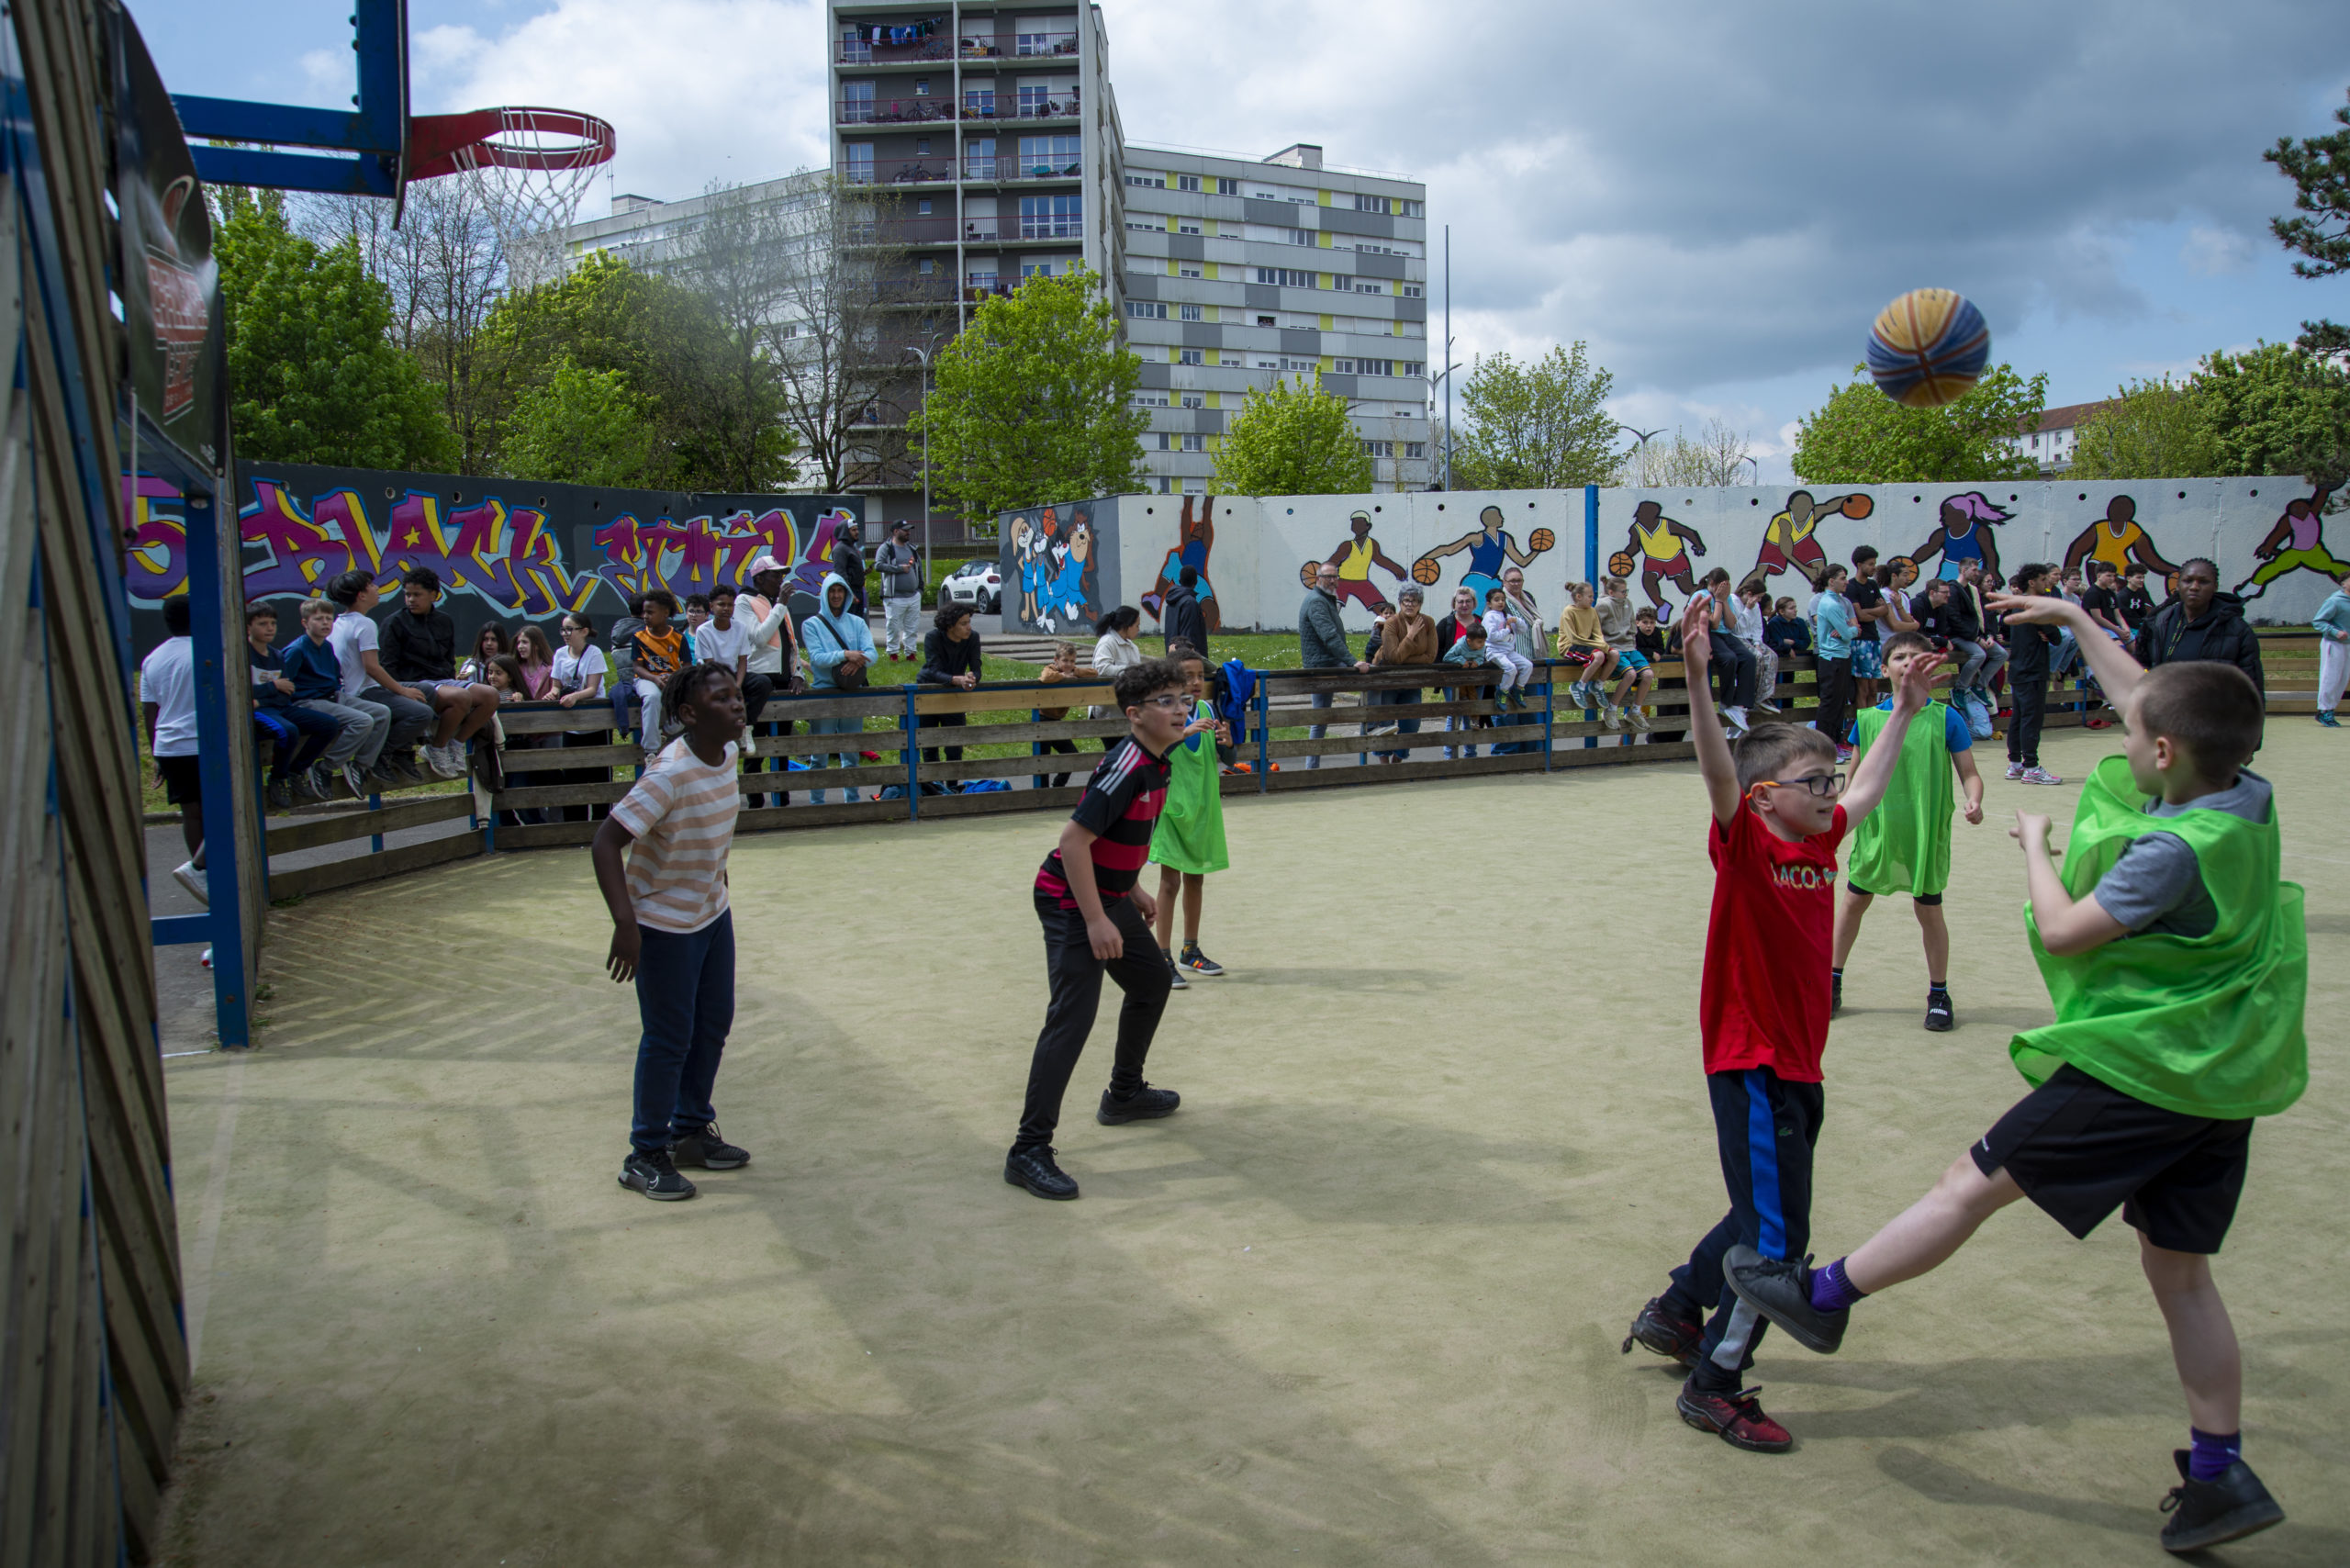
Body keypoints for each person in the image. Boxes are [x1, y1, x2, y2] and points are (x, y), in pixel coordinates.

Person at [1721, 627, 2302, 1553]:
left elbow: (2066, 930)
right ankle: (2218, 1469)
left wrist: (2036, 845)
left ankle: (1823, 1295)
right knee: (2182, 1276)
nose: (2121, 733)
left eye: (2130, 730)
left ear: (2161, 752)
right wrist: (2073, 614)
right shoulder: (2248, 800)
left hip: (2142, 1069)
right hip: (2224, 1082)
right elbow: (2167, 706)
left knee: (1970, 1183)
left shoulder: (2172, 848)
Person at [1619, 596, 1937, 1453]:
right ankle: (1715, 1382)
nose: (1832, 792)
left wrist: (1904, 712)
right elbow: (1717, 772)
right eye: (1814, 782)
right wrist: (1695, 677)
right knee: (1777, 1242)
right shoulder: (1748, 843)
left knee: (1757, 1214)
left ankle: (1678, 1310)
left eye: (1831, 779)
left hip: (1798, 1062)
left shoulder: (1819, 844)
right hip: (1753, 1061)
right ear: (1765, 799)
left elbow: (1868, 787)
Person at [1005, 657, 1191, 1202]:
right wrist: (1094, 919)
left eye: (1182, 698)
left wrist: (1130, 888)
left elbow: (1118, 838)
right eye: (1165, 701)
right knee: (1072, 1019)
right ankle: (1028, 1150)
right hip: (1070, 900)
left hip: (1108, 895)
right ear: (1135, 715)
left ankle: (1124, 1094)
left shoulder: (1159, 761)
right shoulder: (1127, 766)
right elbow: (1073, 842)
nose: (1180, 709)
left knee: (1151, 983)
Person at [592, 662, 752, 1202]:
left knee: (712, 1024)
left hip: (711, 914)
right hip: (663, 925)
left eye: (736, 695)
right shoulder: (668, 775)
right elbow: (605, 843)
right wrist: (625, 923)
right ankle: (644, 1154)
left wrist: (716, 873)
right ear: (688, 714)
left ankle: (689, 1131)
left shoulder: (727, 754)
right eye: (721, 698)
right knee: (668, 1038)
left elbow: (709, 825)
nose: (736, 704)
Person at [1829, 630, 1986, 1029]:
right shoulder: (1867, 720)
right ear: (1884, 669)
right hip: (1878, 829)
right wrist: (1836, 826)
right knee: (1853, 903)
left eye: (1917, 657)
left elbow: (1969, 772)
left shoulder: (1946, 718)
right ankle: (1831, 979)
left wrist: (1974, 799)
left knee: (1929, 910)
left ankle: (1939, 993)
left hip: (1924, 831)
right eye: (1900, 657)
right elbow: (1853, 780)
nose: (1908, 664)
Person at [1148, 642, 1230, 987]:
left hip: (1202, 810)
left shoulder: (1208, 708)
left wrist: (1227, 742)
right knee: (1170, 883)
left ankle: (1190, 950)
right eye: (1188, 676)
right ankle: (1162, 957)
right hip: (1173, 809)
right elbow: (1153, 750)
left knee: (1196, 879)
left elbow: (1227, 758)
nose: (1196, 682)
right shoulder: (1164, 711)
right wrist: (1183, 734)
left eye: (1200, 675)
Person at [382, 567, 500, 780]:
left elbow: (448, 659)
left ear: (433, 595)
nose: (411, 599)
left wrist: (453, 679)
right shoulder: (394, 622)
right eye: (407, 594)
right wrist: (401, 692)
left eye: (417, 594)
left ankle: (457, 743)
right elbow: (387, 666)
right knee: (460, 697)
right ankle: (436, 747)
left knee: (491, 695)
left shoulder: (444, 621)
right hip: (415, 684)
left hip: (443, 681)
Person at [324, 569, 434, 786]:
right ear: (361, 595)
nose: (376, 588)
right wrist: (401, 691)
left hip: (359, 688)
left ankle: (403, 750)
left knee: (426, 690)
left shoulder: (339, 622)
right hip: (363, 692)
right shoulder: (364, 624)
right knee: (422, 713)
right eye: (371, 585)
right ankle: (382, 753)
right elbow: (372, 668)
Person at [141, 595, 207, 904]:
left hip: (169, 745)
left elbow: (150, 711)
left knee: (191, 814)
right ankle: (199, 867)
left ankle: (203, 875)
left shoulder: (153, 658)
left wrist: (157, 753)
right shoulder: (205, 652)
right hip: (203, 742)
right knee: (224, 810)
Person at [244, 603, 339, 809]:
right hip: (259, 713)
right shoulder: (242, 656)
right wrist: (273, 687)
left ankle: (297, 771)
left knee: (329, 724)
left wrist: (263, 695)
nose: (270, 628)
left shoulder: (276, 655)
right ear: (248, 627)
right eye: (263, 624)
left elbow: (286, 691)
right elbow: (241, 694)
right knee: (288, 731)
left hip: (277, 706)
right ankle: (278, 778)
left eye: (273, 623)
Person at [284, 595, 376, 800]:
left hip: (332, 696)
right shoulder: (297, 650)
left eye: (328, 618)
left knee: (381, 713)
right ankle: (325, 767)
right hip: (307, 701)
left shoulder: (326, 646)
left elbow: (335, 676)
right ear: (305, 623)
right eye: (319, 619)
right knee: (363, 721)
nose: (325, 623)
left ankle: (361, 766)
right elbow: (284, 682)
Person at [801, 572, 877, 803]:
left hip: (852, 693)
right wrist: (846, 655)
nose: (836, 595)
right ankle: (817, 803)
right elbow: (817, 658)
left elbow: (872, 654)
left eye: (840, 591)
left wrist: (856, 661)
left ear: (846, 594)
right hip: (824, 693)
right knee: (819, 755)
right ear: (825, 594)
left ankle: (852, 801)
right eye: (831, 591)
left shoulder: (857, 623)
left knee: (851, 753)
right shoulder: (811, 624)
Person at [2136, 558, 2264, 695]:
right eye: (2188, 580)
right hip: (2165, 706)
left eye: (2203, 582)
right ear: (2178, 585)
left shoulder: (2238, 631)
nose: (2194, 587)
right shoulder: (2158, 623)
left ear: (2215, 587)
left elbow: (2252, 689)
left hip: (2214, 708)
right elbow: (2141, 666)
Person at [740, 554, 803, 806]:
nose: (780, 580)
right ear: (759, 579)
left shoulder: (779, 604)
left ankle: (782, 801)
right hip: (759, 682)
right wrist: (781, 605)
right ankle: (756, 802)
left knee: (782, 747)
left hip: (783, 681)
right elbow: (759, 638)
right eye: (775, 575)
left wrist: (797, 673)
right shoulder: (744, 601)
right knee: (756, 748)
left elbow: (791, 642)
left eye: (782, 575)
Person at [2000, 563, 2064, 785]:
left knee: (2019, 717)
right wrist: (2047, 631)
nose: (2048, 583)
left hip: (2019, 669)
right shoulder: (2036, 607)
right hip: (2033, 670)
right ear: (2031, 582)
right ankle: (2031, 767)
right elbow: (2056, 637)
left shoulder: (2019, 605)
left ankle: (2016, 764)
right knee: (2031, 719)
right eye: (2043, 579)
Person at [1360, 585, 1436, 762]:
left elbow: (1430, 657)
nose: (1410, 604)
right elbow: (1393, 657)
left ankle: (1397, 762)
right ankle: (1385, 766)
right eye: (1406, 600)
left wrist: (1405, 657)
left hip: (1413, 683)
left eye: (1414, 601)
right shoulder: (1391, 623)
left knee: (1411, 725)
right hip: (1388, 682)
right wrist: (1410, 636)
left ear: (1420, 604)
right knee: (1385, 724)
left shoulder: (1428, 622)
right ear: (1400, 603)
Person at [551, 610, 613, 823]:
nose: (565, 634)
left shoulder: (594, 653)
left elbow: (592, 689)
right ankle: (575, 825)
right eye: (563, 630)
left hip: (596, 724)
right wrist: (553, 693)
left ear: (584, 631)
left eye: (570, 629)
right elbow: (556, 685)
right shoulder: (560, 654)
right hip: (571, 725)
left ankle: (600, 823)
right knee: (573, 777)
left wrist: (575, 697)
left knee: (599, 776)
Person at [917, 601, 983, 787]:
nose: (968, 627)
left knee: (955, 744)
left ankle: (952, 788)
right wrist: (956, 680)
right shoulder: (933, 637)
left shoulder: (973, 637)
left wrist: (972, 678)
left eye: (969, 622)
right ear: (950, 626)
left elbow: (977, 667)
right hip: (929, 692)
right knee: (929, 744)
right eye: (963, 623)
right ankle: (935, 787)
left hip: (955, 694)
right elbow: (933, 671)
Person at [699, 584, 770, 749]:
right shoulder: (704, 631)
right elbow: (709, 665)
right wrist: (729, 688)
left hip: (734, 675)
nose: (726, 609)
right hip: (712, 677)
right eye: (721, 604)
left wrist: (737, 686)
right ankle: (719, 736)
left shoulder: (740, 628)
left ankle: (746, 728)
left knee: (763, 683)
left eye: (730, 605)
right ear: (711, 606)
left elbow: (743, 660)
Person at [1299, 562, 1351, 768]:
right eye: (1328, 576)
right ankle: (1311, 768)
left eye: (1335, 576)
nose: (1332, 580)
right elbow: (1330, 637)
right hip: (1322, 666)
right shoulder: (1317, 602)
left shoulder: (1325, 600)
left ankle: (1311, 767)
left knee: (1320, 718)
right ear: (1318, 579)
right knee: (1319, 718)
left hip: (1328, 663)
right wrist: (1353, 661)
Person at [629, 589, 688, 761]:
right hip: (646, 679)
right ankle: (651, 751)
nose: (645, 616)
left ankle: (665, 733)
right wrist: (655, 678)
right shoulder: (639, 637)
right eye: (644, 612)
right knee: (652, 697)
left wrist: (674, 678)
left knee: (689, 698)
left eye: (650, 612)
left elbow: (687, 666)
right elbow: (637, 667)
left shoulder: (678, 637)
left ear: (665, 613)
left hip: (672, 679)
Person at [1809, 565, 1857, 763]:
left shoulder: (1840, 602)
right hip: (1831, 659)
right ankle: (1823, 748)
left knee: (1839, 703)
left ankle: (1835, 744)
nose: (1846, 582)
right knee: (1829, 704)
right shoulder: (1830, 604)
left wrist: (1851, 629)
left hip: (1842, 657)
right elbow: (1847, 633)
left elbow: (1852, 628)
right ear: (1831, 581)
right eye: (1843, 578)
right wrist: (1851, 630)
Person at [1701, 569, 1757, 736]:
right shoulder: (1702, 596)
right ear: (1712, 584)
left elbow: (1731, 624)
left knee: (1749, 658)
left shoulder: (1727, 598)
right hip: (1708, 634)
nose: (1724, 590)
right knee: (1729, 658)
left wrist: (1724, 600)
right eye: (1721, 586)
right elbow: (1714, 624)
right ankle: (1726, 703)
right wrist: (1718, 600)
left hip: (1726, 635)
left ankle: (1740, 704)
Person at [1433, 586, 1484, 759]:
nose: (1464, 605)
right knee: (1454, 715)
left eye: (1468, 601)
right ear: (1454, 604)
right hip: (1452, 679)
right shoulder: (1446, 624)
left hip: (1477, 679)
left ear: (1474, 603)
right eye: (1460, 601)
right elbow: (1437, 651)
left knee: (1473, 715)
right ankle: (1450, 756)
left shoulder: (1481, 622)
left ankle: (1471, 755)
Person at [1599, 576, 1655, 734]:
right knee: (1630, 674)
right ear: (1611, 592)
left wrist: (1631, 638)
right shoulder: (1603, 605)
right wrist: (1605, 644)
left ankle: (1635, 710)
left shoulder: (1628, 603)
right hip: (1614, 646)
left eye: (1626, 591)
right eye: (1623, 591)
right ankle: (1611, 710)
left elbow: (1631, 625)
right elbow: (1596, 626)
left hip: (1629, 646)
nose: (1626, 594)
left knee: (1648, 675)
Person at [1091, 605, 1146, 751]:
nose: (1139, 629)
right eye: (1137, 625)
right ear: (1126, 626)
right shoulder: (1107, 642)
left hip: (1126, 711)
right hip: (1107, 711)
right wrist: (1130, 671)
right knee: (1115, 752)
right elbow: (1102, 669)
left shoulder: (1133, 647)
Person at [1553, 580, 1612, 715]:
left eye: (1593, 596)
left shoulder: (1592, 611)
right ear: (1579, 597)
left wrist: (1603, 644)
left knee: (1614, 655)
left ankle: (1598, 685)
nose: (1592, 599)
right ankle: (1579, 686)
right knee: (1599, 656)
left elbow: (1598, 634)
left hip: (1586, 645)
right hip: (1570, 646)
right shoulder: (1569, 612)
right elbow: (1574, 638)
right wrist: (1599, 646)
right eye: (1590, 596)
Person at [1035, 640, 1084, 786]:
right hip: (1043, 720)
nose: (1068, 664)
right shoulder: (1050, 669)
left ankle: (1057, 786)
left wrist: (1075, 672)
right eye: (1065, 660)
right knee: (1043, 761)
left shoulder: (1072, 671)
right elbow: (1045, 677)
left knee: (1072, 755)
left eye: (1072, 661)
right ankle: (1042, 793)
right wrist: (1063, 676)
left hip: (1056, 720)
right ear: (1056, 660)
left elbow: (1094, 672)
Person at [1481, 587, 1536, 711]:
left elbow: (1522, 630)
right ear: (1489, 603)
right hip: (1494, 651)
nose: (1500, 602)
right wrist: (1507, 630)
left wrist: (1517, 621)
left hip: (1509, 651)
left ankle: (1519, 689)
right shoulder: (1489, 617)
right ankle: (1502, 693)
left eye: (1502, 600)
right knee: (1511, 669)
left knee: (1528, 665)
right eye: (1496, 600)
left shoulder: (1506, 615)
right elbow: (1492, 636)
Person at [875, 521, 923, 661]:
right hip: (894, 596)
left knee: (912, 627)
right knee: (893, 627)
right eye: (905, 530)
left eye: (909, 530)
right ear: (896, 531)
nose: (908, 533)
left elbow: (918, 568)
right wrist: (899, 569)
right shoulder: (886, 548)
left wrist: (920, 589)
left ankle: (911, 653)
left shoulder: (912, 549)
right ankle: (893, 653)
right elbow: (878, 565)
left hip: (913, 596)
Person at [1846, 546, 1886, 711]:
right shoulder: (1851, 586)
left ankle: (1873, 720)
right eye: (1870, 564)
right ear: (1859, 564)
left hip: (1874, 639)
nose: (1874, 567)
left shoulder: (1872, 584)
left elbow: (1885, 609)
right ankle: (1863, 721)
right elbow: (1860, 616)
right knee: (1863, 688)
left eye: (1874, 564)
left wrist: (1870, 612)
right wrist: (1875, 611)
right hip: (1860, 641)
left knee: (1873, 689)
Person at [1732, 581, 1780, 715]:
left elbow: (1758, 627)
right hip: (1737, 638)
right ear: (1749, 594)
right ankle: (1751, 697)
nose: (1759, 600)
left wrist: (1758, 643)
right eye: (1758, 597)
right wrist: (1748, 609)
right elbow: (1737, 628)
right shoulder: (1734, 601)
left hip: (1752, 639)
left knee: (1772, 656)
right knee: (1756, 657)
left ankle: (1765, 696)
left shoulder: (1756, 606)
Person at [2314, 563, 2350, 727]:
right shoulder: (2334, 601)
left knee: (2342, 679)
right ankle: (2324, 711)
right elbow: (2318, 621)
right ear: (2344, 584)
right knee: (2331, 677)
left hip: (2348, 645)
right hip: (2334, 644)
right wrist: (2336, 632)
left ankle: (2330, 710)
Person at [1161, 565, 1210, 659]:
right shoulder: (1190, 603)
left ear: (1180, 581)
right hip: (1186, 658)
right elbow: (1189, 635)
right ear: (1196, 582)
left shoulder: (1172, 601)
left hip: (1173, 655)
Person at [513, 623, 561, 701]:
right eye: (518, 642)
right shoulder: (517, 670)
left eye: (524, 642)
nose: (520, 646)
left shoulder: (550, 671)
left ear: (537, 645)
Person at [831, 527, 867, 619]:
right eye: (853, 530)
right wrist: (849, 593)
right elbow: (840, 572)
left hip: (858, 591)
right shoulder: (840, 549)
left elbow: (851, 570)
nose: (857, 532)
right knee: (849, 621)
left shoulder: (851, 547)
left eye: (857, 529)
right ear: (845, 532)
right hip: (851, 592)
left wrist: (862, 574)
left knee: (857, 622)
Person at [1763, 596, 1810, 661]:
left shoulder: (1800, 622)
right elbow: (1777, 642)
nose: (1795, 610)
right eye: (1791, 608)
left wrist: (1793, 642)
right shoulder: (1774, 623)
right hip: (1781, 657)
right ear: (1782, 611)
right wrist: (1785, 644)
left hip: (1799, 655)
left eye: (1795, 607)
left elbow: (1807, 641)